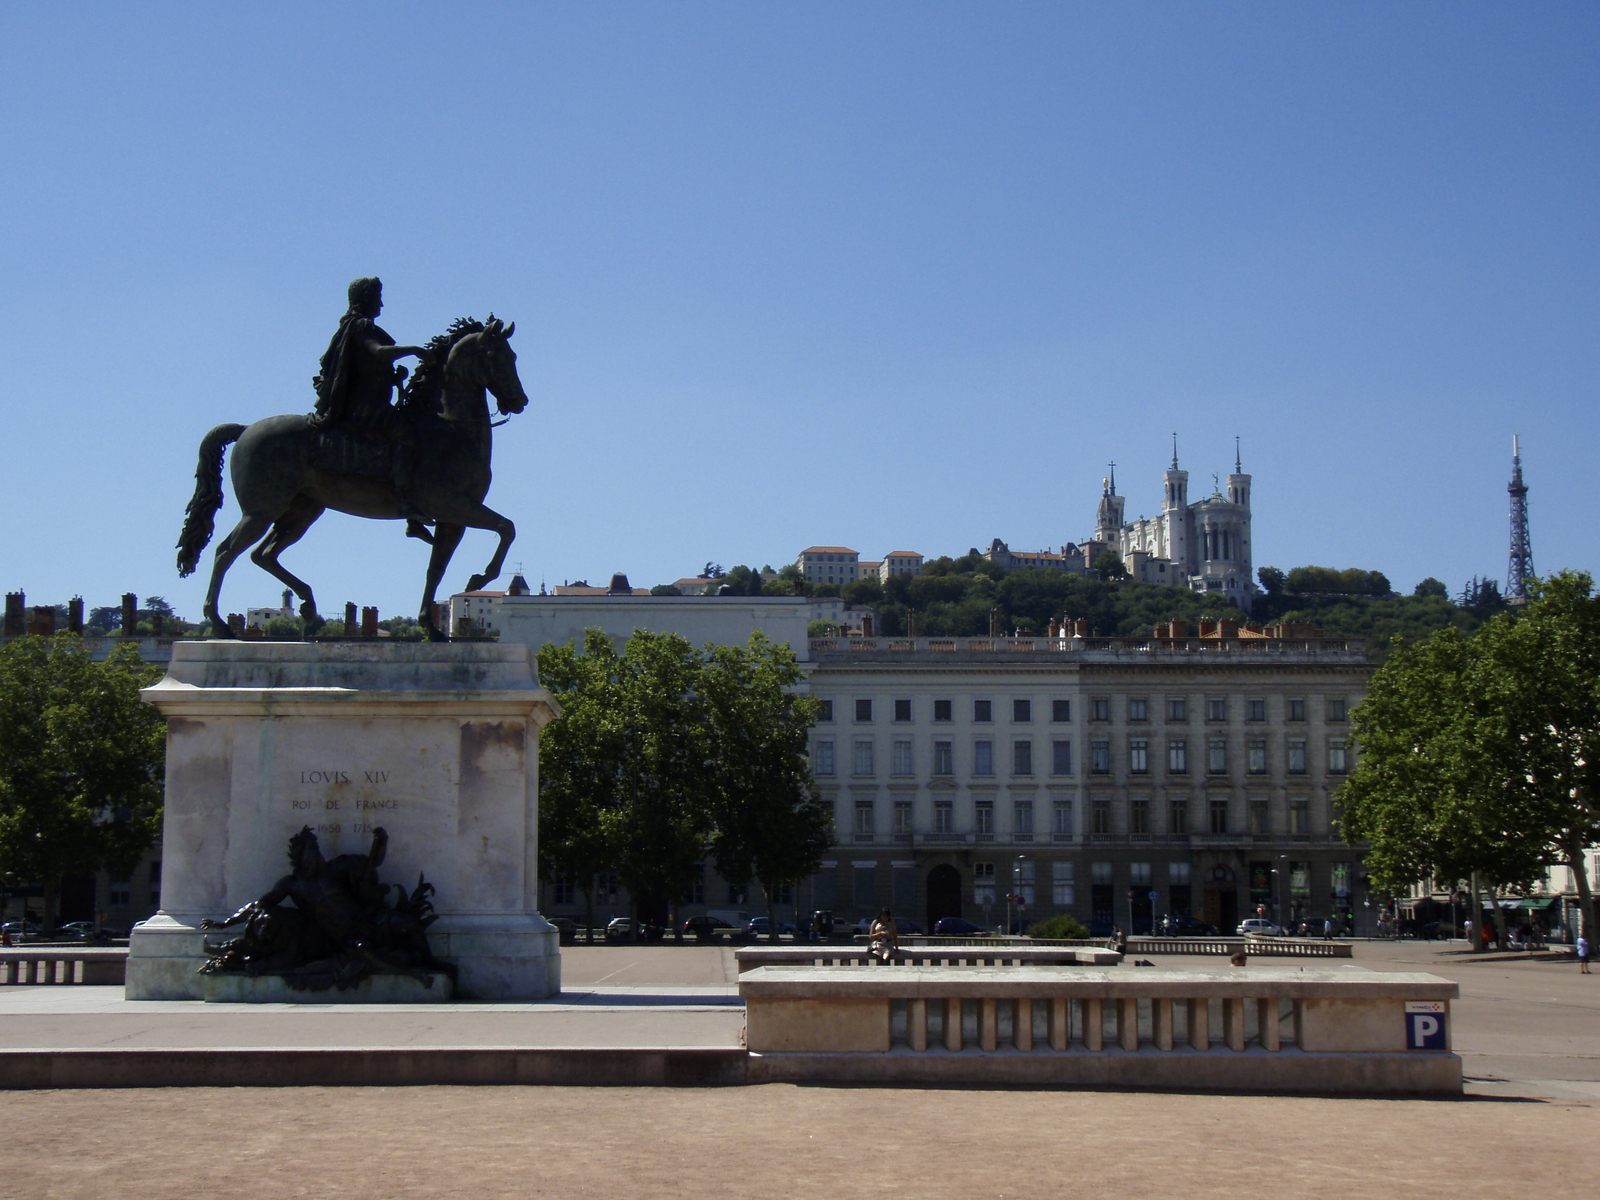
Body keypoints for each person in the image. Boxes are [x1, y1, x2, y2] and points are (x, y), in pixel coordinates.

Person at [310, 277, 435, 536]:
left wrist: (393, 378)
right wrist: (412, 349)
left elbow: (368, 369)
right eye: (378, 297)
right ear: (366, 298)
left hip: (370, 402)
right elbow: (378, 352)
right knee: (407, 433)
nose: (382, 304)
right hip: (363, 407)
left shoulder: (356, 326)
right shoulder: (360, 325)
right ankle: (406, 504)